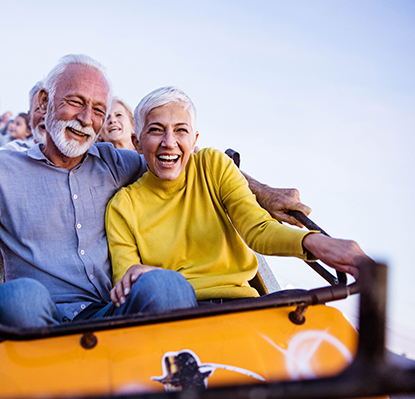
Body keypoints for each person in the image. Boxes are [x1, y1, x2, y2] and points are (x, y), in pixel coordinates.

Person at [0, 55, 319, 334]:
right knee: (19, 295)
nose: (87, 119)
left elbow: (182, 158)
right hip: (40, 315)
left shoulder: (115, 161)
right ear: (43, 102)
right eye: (75, 103)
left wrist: (261, 191)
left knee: (168, 288)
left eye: (99, 110)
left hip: (113, 314)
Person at [106, 87, 368, 308]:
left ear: (194, 138)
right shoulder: (123, 205)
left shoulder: (213, 165)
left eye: (181, 130)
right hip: (178, 314)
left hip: (242, 306)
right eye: (156, 130)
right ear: (137, 142)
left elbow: (258, 229)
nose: (169, 142)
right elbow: (126, 282)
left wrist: (321, 244)